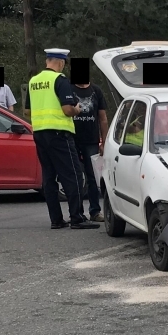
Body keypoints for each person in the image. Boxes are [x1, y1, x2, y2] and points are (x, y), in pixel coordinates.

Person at [28, 47, 97, 229]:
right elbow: (67, 109)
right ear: (61, 62)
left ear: (46, 61)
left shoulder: (33, 81)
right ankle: (77, 217)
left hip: (40, 133)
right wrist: (77, 110)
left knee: (49, 177)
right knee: (73, 174)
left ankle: (56, 219)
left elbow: (27, 110)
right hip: (59, 133)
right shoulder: (60, 80)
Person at [71, 63, 108, 222]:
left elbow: (103, 119)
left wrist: (104, 142)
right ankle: (77, 212)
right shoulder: (68, 89)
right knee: (75, 177)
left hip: (91, 141)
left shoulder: (96, 91)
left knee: (93, 177)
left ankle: (95, 211)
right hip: (72, 139)